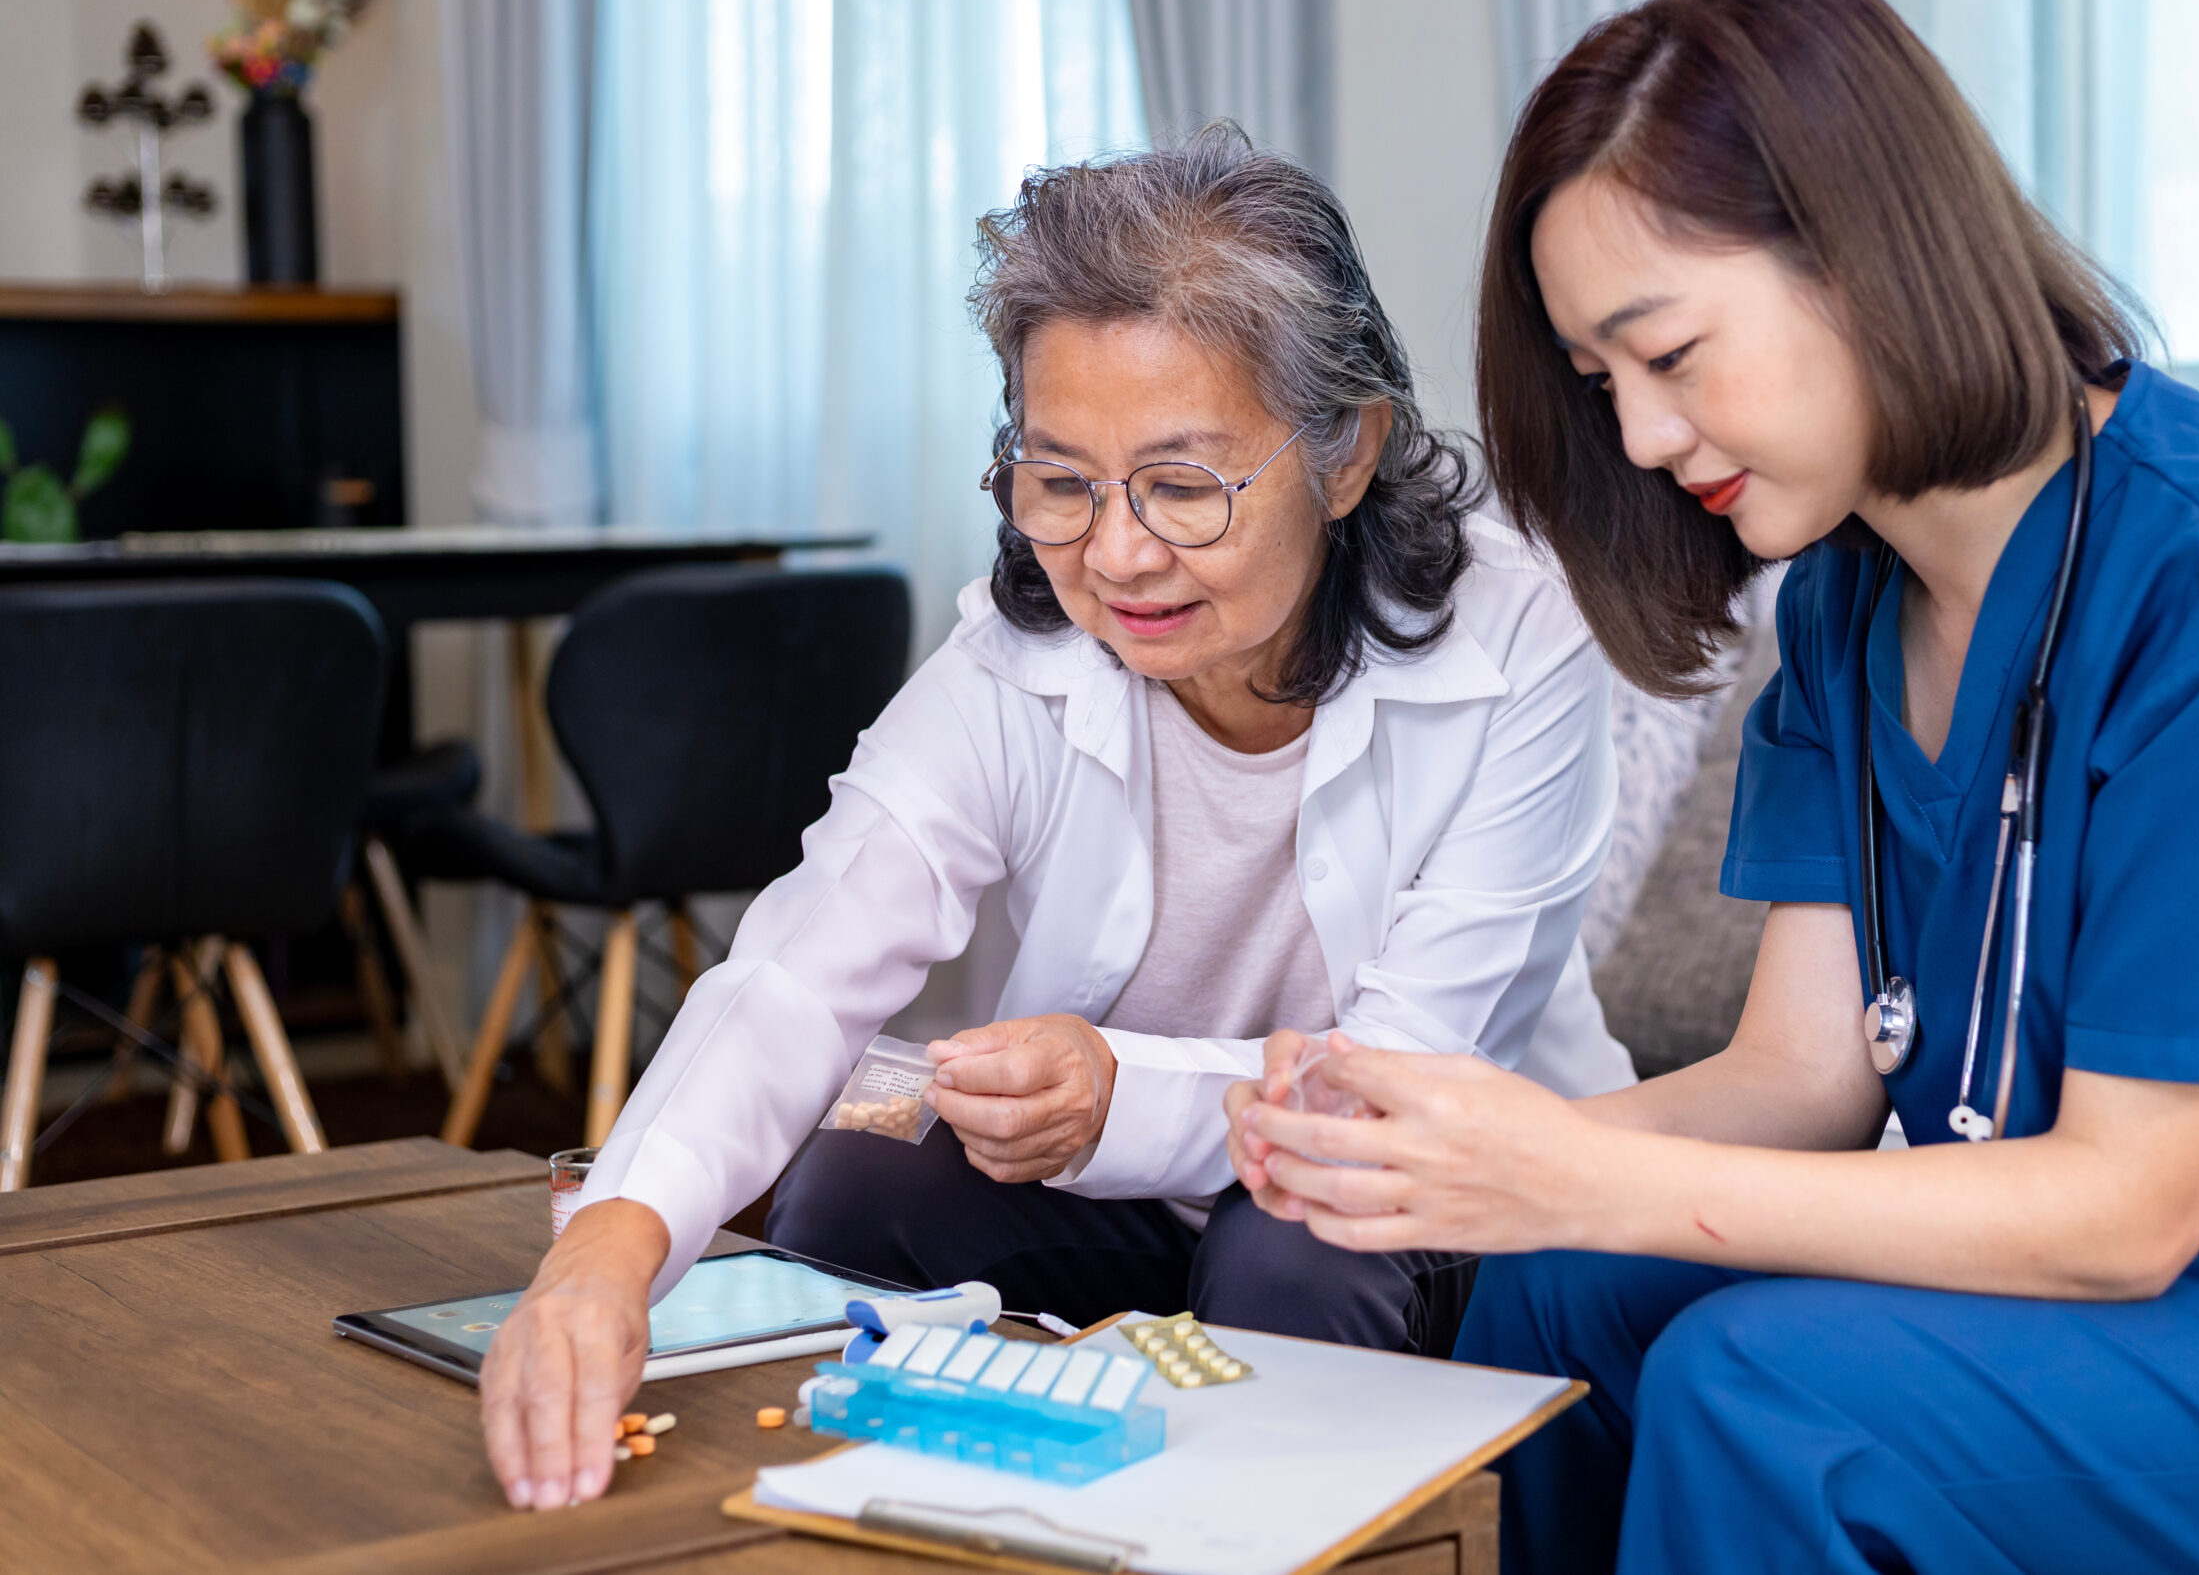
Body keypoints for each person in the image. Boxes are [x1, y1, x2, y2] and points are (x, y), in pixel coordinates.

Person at [1225, 0, 2199, 1572]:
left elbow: (2126, 1213)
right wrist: (1441, 1139)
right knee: (1562, 1285)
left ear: (1863, 257)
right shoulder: (1855, 595)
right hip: (2142, 1320)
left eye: (1673, 355)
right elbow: (1803, 1078)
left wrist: (1571, 1166)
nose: (1642, 439)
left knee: (1771, 1389)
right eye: (1600, 385)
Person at [478, 126, 1635, 1512]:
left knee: (1294, 1240)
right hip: (1146, 1198)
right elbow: (801, 962)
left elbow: (1396, 1090)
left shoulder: (1521, 647)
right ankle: (943, 1522)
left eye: (1184, 485)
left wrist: (1115, 1094)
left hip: (1433, 1199)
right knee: (853, 1185)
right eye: (1061, 481)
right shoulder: (1013, 661)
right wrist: (609, 1242)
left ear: (1345, 456)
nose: (1119, 552)